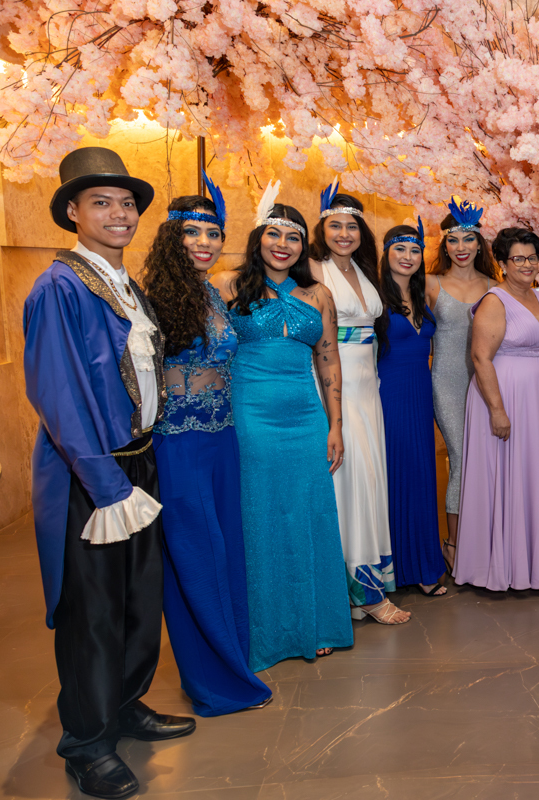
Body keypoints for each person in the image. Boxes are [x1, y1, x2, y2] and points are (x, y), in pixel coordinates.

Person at [23, 146, 195, 799]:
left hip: (138, 460)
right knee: (92, 612)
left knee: (136, 600)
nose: (119, 213)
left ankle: (123, 706)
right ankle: (87, 744)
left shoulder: (124, 283)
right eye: (101, 202)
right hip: (92, 475)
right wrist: (106, 486)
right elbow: (58, 395)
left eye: (126, 203)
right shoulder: (59, 287)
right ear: (72, 212)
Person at [143, 185, 272, 716]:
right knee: (197, 557)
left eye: (213, 233)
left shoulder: (211, 293)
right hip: (180, 443)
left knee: (227, 551)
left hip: (222, 439)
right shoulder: (153, 299)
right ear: (171, 238)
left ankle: (232, 660)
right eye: (192, 232)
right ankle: (214, 681)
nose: (204, 242)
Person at [215, 193, 354, 668]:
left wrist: (335, 425)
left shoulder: (318, 295)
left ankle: (314, 623)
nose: (283, 243)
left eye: (293, 237)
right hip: (250, 415)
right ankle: (265, 632)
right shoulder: (228, 285)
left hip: (306, 416)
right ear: (258, 238)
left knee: (308, 513)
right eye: (273, 233)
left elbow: (329, 359)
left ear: (302, 246)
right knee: (260, 515)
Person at [309, 186, 413, 619]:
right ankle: (353, 594)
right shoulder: (312, 268)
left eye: (351, 226)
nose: (344, 234)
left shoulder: (365, 270)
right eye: (335, 225)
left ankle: (366, 586)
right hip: (335, 382)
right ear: (321, 230)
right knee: (345, 481)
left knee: (368, 478)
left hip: (369, 386)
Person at [452, 227, 539, 591]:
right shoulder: (494, 300)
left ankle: (532, 565)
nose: (527, 264)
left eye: (533, 257)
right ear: (502, 263)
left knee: (531, 476)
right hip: (503, 397)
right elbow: (480, 357)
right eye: (518, 258)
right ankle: (498, 567)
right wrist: (497, 410)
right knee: (504, 476)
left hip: (537, 403)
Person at [426, 199, 500, 570]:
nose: (461, 247)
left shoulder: (495, 287)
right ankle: (454, 544)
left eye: (468, 239)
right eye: (453, 240)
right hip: (448, 380)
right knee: (462, 458)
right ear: (444, 245)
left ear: (479, 244)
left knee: (486, 460)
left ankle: (483, 540)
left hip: (486, 382)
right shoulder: (431, 284)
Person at [378, 221, 447, 597]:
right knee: (393, 476)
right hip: (387, 395)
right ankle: (389, 570)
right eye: (400, 249)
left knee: (421, 477)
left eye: (415, 250)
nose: (407, 257)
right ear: (386, 253)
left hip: (421, 396)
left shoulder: (424, 295)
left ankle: (422, 565)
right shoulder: (374, 297)